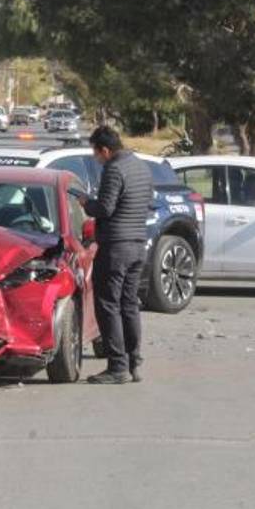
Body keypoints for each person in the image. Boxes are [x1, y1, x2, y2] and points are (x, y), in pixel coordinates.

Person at [76, 125, 154, 385]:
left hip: (115, 247)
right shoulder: (141, 167)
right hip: (137, 246)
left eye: (96, 153)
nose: (96, 158)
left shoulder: (114, 169)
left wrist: (87, 203)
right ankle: (134, 360)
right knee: (129, 304)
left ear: (105, 150)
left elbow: (105, 208)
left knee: (108, 304)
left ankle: (117, 366)